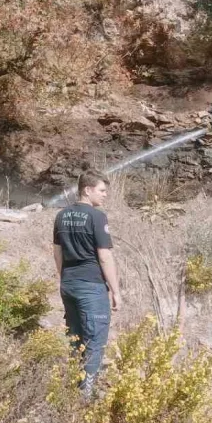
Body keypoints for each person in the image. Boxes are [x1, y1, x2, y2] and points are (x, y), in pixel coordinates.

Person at [53, 169, 121, 397]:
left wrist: (64, 280)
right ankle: (85, 397)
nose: (105, 195)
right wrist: (115, 290)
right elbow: (104, 256)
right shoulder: (96, 217)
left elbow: (57, 252)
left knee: (76, 338)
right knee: (95, 341)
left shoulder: (61, 215)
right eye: (102, 191)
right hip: (91, 287)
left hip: (68, 285)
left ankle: (72, 390)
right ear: (87, 190)